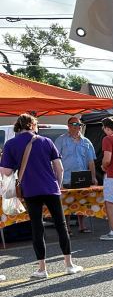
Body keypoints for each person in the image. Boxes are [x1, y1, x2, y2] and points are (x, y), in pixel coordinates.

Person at [0, 113, 83, 278]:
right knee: (61, 226)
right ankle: (69, 264)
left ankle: (42, 269)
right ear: (32, 125)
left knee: (37, 228)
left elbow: (6, 172)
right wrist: (57, 185)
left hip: (30, 190)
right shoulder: (46, 141)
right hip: (51, 189)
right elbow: (59, 168)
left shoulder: (11, 144)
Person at [54, 115, 97, 233]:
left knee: (82, 201)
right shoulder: (61, 140)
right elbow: (54, 160)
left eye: (79, 124)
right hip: (66, 177)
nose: (77, 127)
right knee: (66, 203)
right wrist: (56, 177)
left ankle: (82, 226)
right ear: (68, 126)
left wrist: (93, 177)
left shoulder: (86, 141)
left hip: (82, 177)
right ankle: (66, 227)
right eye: (74, 124)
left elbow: (91, 161)